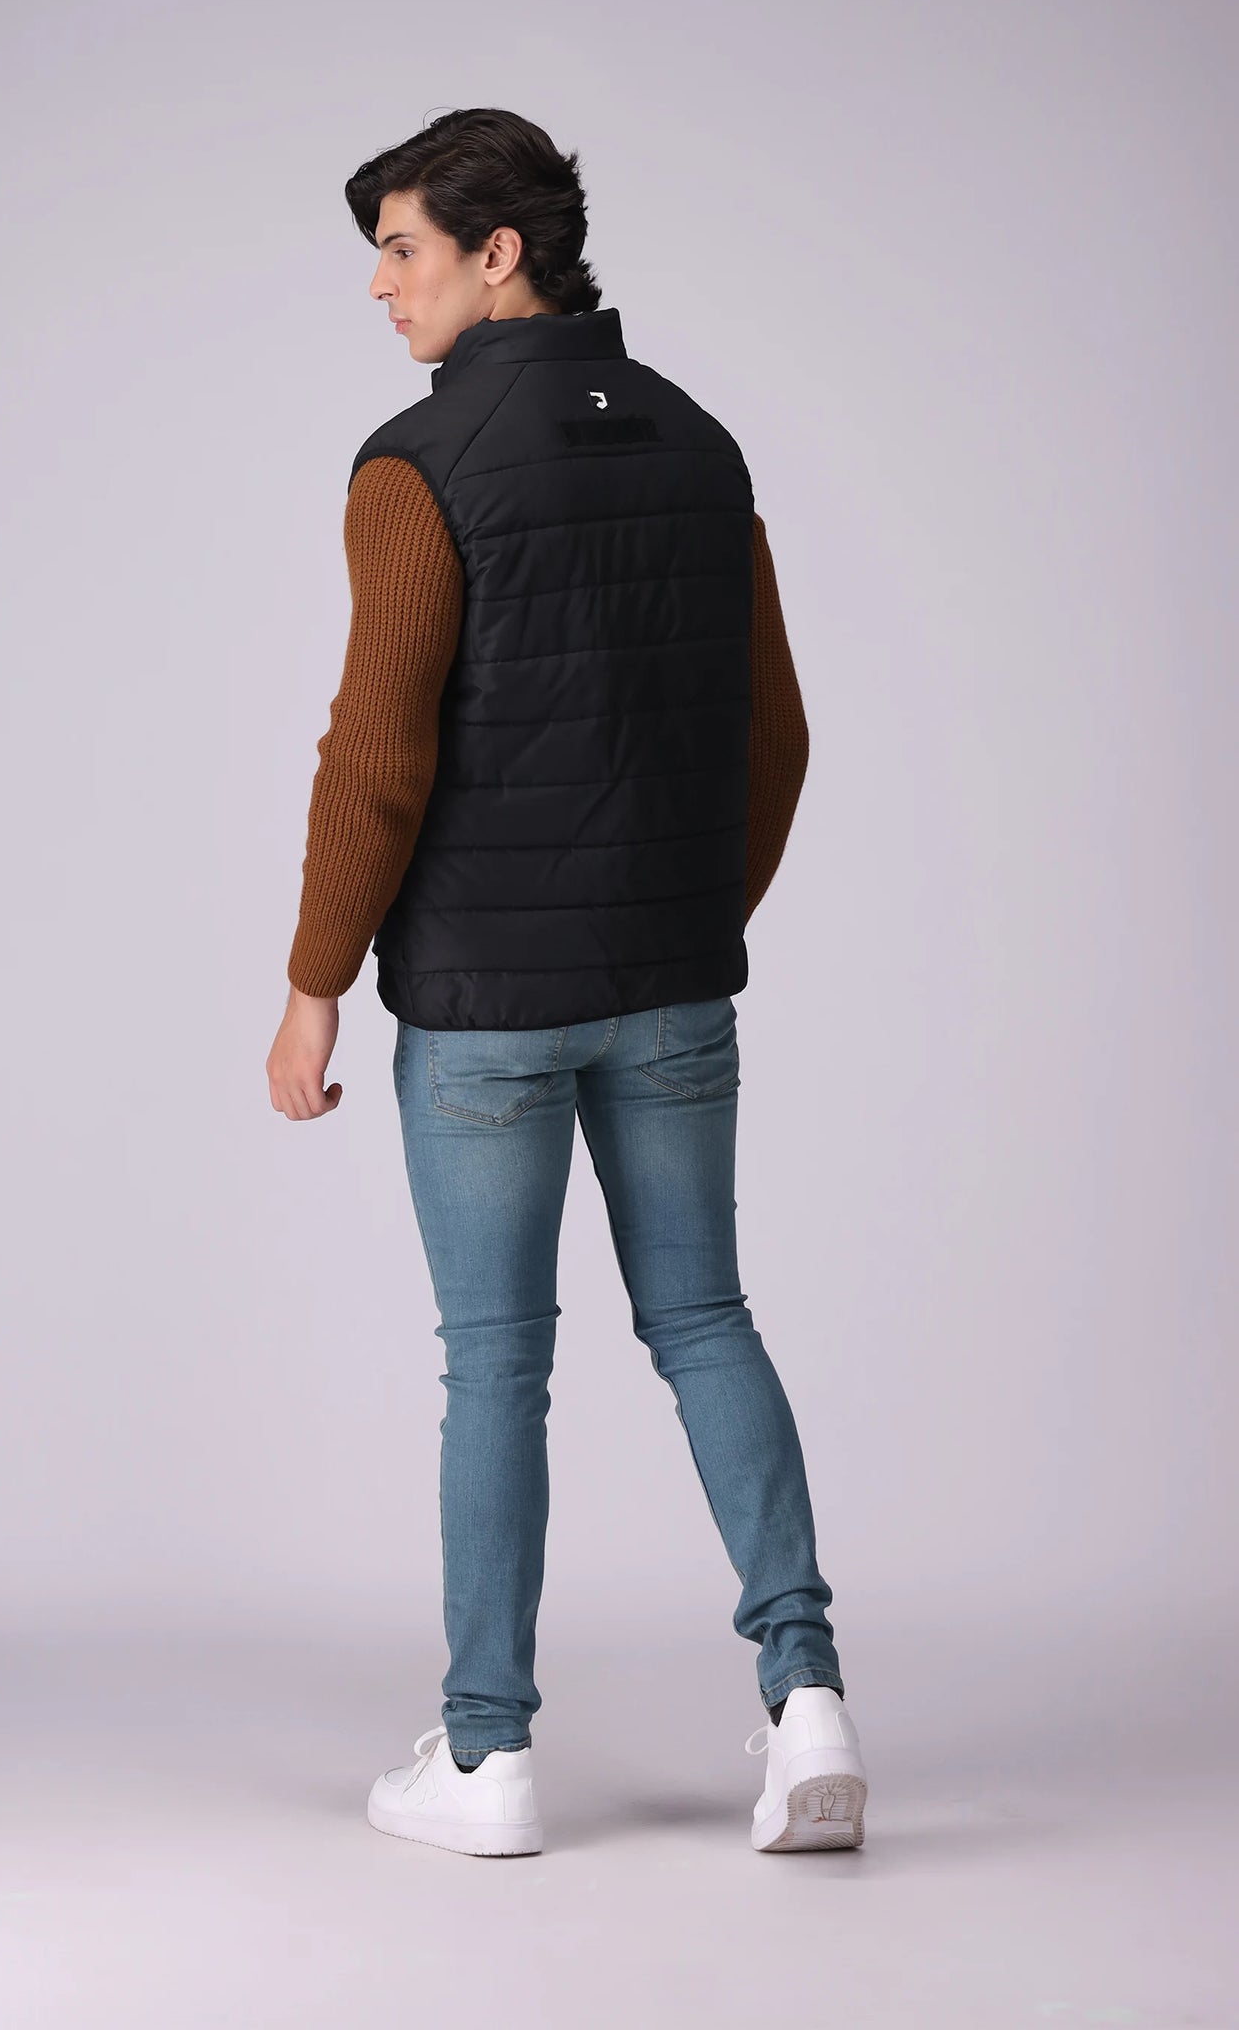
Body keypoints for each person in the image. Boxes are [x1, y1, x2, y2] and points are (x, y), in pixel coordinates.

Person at [265, 109, 868, 1858]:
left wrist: (313, 983)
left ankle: (486, 1762)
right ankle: (808, 1704)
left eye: (401, 250)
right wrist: (679, 918)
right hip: (670, 989)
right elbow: (776, 736)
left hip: (480, 1010)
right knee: (705, 1320)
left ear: (496, 252)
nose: (381, 288)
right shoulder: (700, 443)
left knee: (495, 1366)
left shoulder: (415, 466)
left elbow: (377, 758)